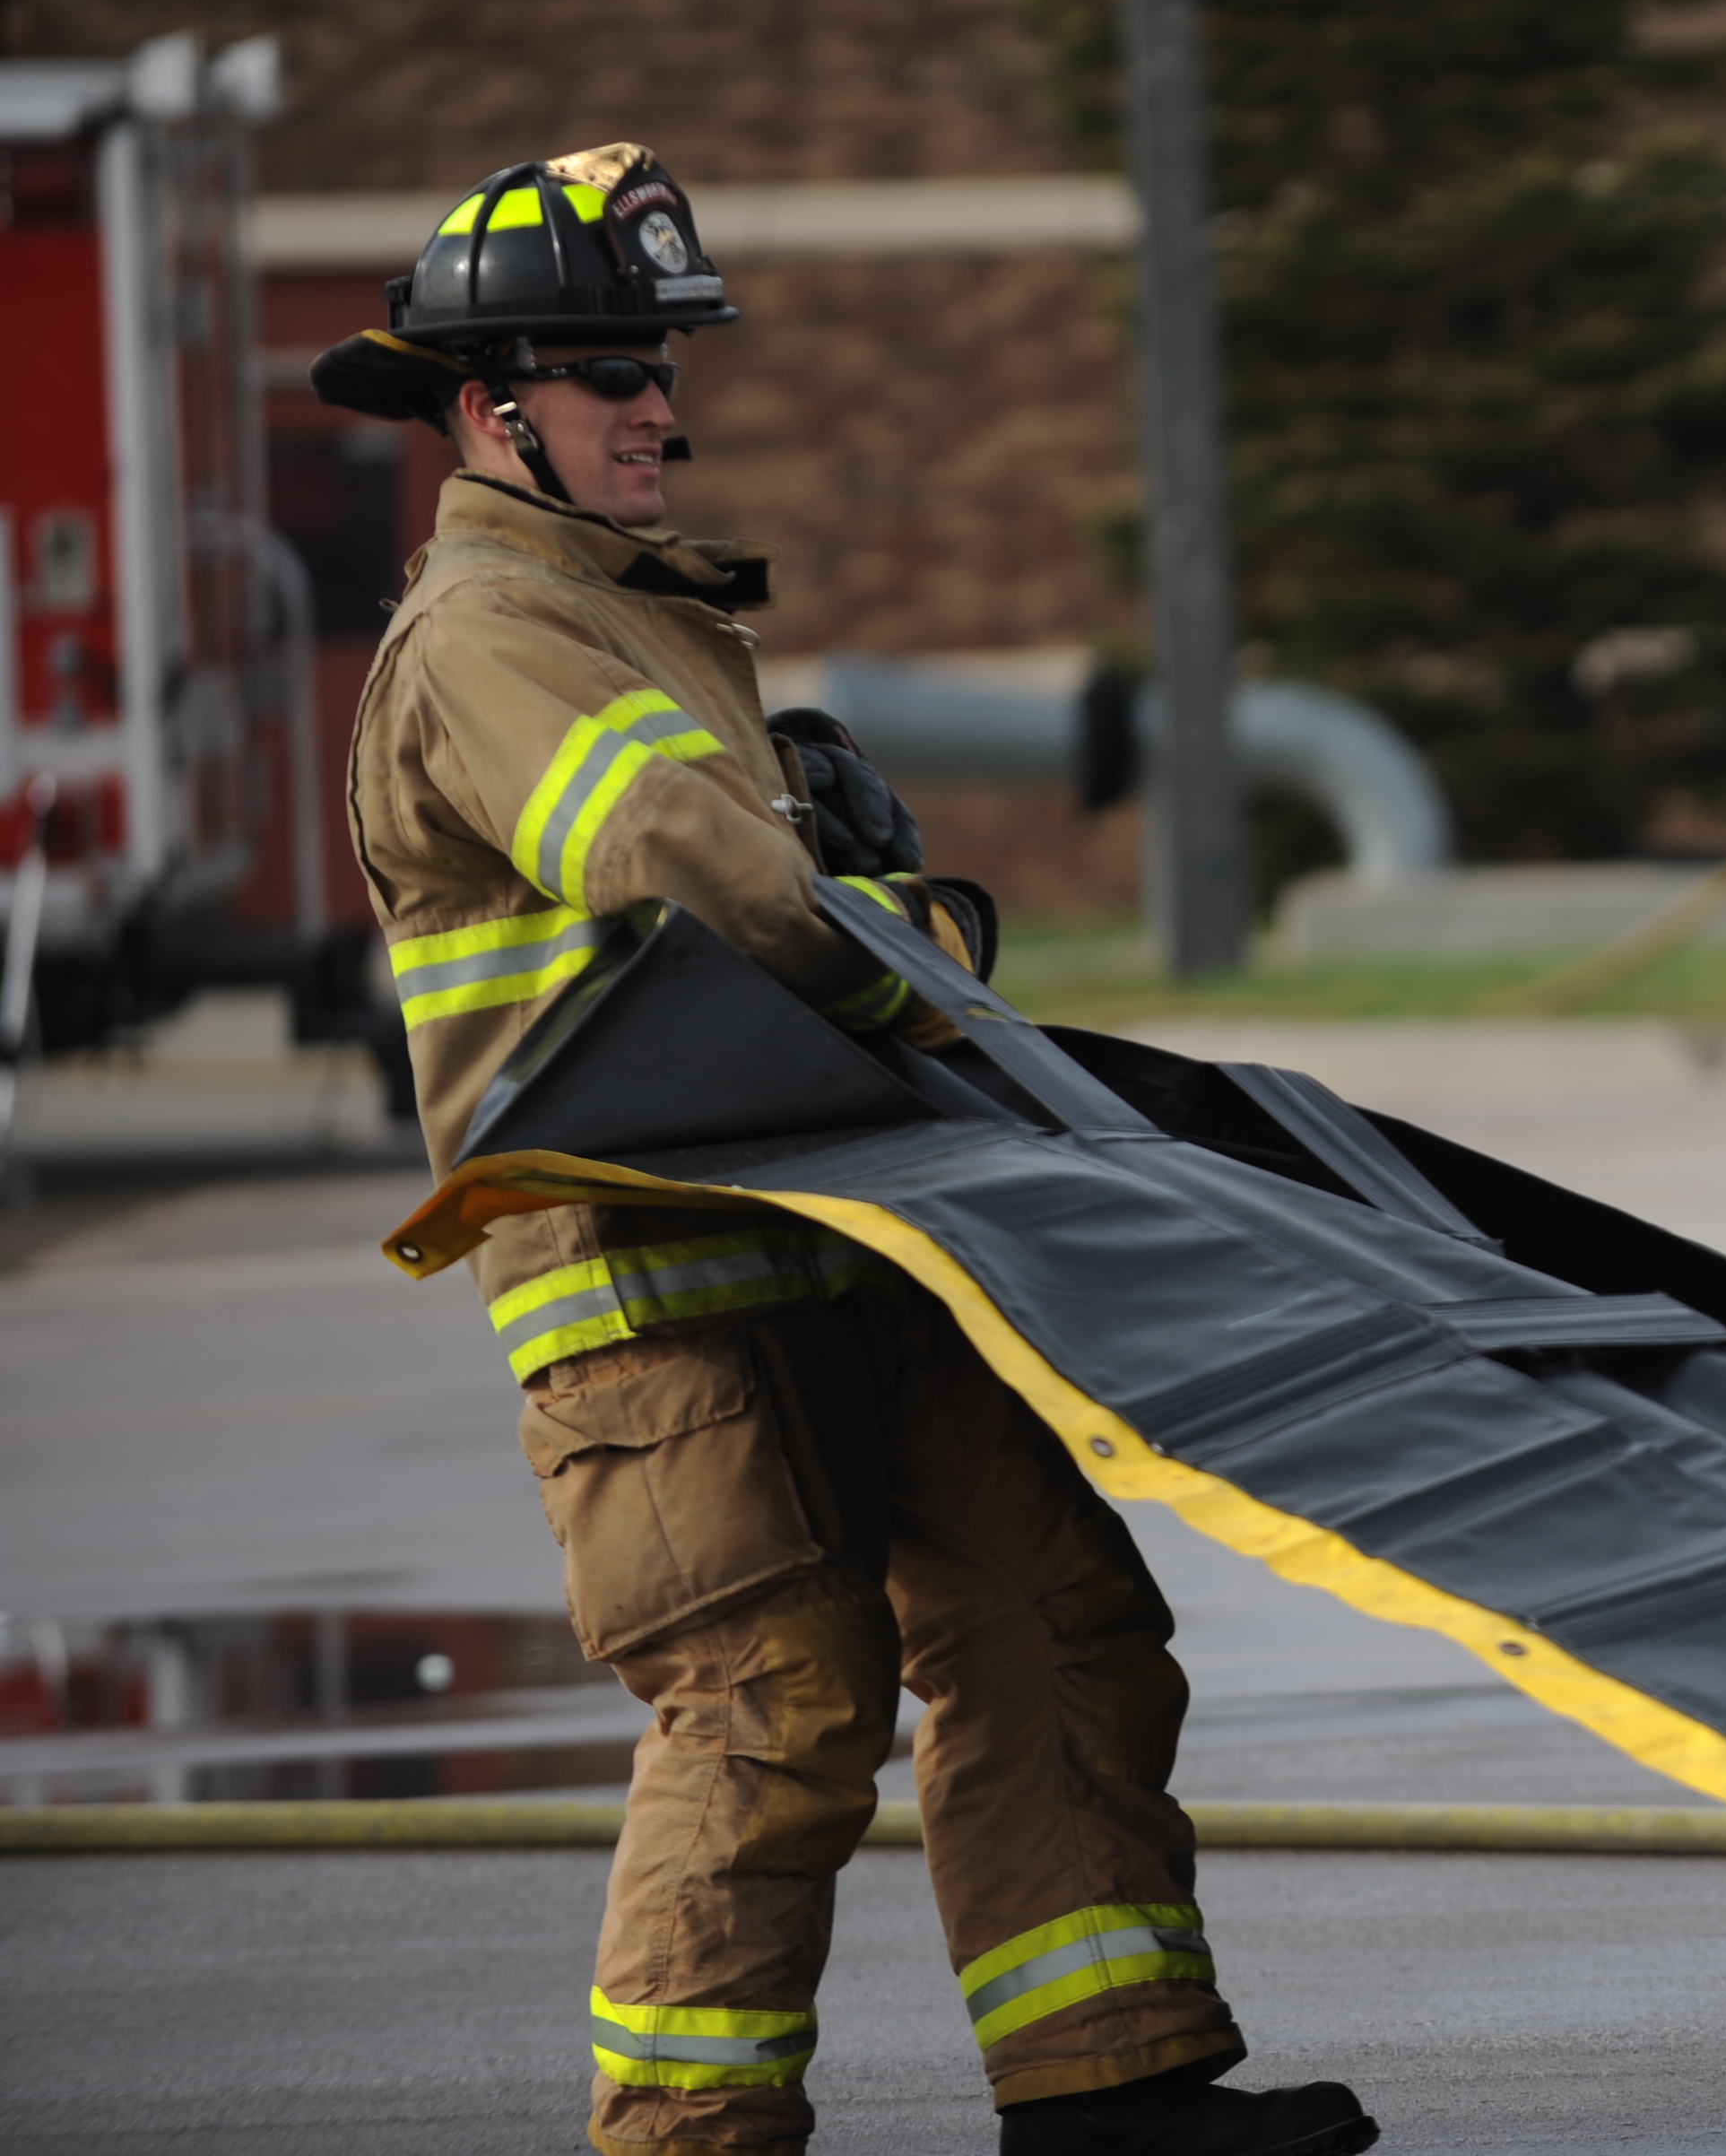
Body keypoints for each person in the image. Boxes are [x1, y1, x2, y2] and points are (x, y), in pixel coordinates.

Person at [316, 147, 1377, 2156]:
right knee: (770, 1701)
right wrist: (909, 948)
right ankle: (689, 2141)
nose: (658, 404)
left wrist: (823, 853)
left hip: (840, 1235)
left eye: (663, 363)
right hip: (650, 1281)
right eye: (606, 370)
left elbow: (732, 865)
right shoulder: (487, 630)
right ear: (484, 407)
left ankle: (1115, 2094)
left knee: (1051, 1613)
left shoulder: (633, 616)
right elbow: (676, 864)